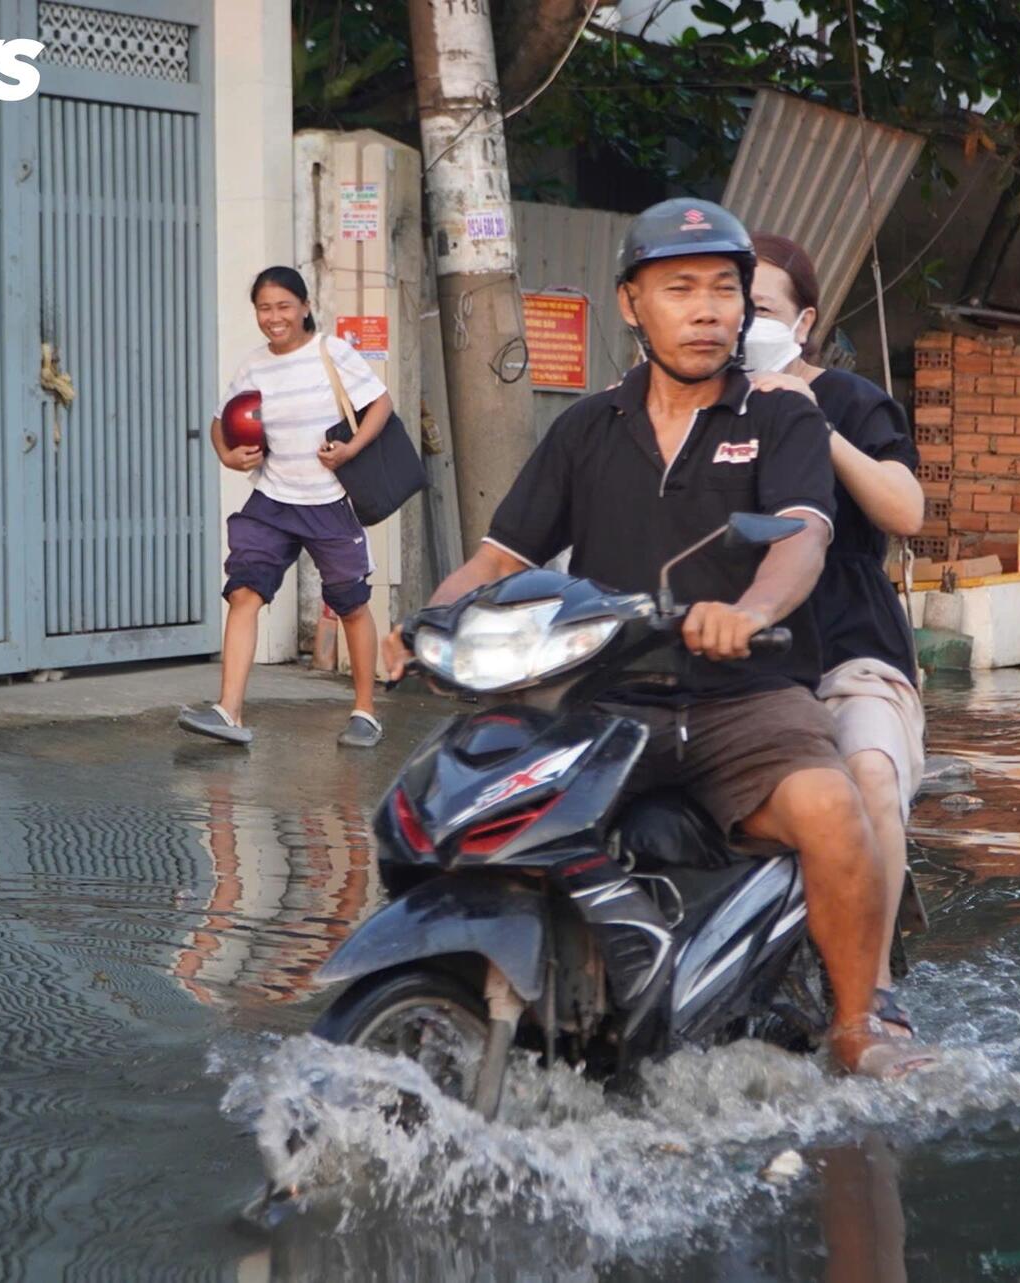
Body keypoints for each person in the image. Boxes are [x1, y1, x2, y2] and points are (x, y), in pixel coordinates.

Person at [382, 199, 928, 1079]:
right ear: (632, 303)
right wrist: (424, 625)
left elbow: (803, 536)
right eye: (681, 289)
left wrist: (750, 612)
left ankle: (861, 1021)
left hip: (746, 697)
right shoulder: (587, 428)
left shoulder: (781, 418)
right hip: (605, 701)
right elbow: (495, 557)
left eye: (725, 289)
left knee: (833, 809)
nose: (708, 309)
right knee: (482, 801)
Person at [743, 234, 930, 1039]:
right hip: (749, 645)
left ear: (803, 319)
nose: (741, 322)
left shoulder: (852, 400)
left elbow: (906, 510)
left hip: (853, 641)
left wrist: (812, 425)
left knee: (870, 774)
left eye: (759, 308)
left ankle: (875, 987)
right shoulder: (700, 404)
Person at [180, 266, 394, 749]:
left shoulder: (331, 353)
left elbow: (380, 403)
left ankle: (365, 712)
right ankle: (228, 713)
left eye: (283, 306)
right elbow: (220, 421)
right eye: (264, 308)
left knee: (351, 606)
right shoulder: (254, 365)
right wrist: (228, 455)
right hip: (272, 500)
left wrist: (351, 448)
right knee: (243, 594)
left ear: (304, 307)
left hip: (329, 502)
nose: (274, 318)